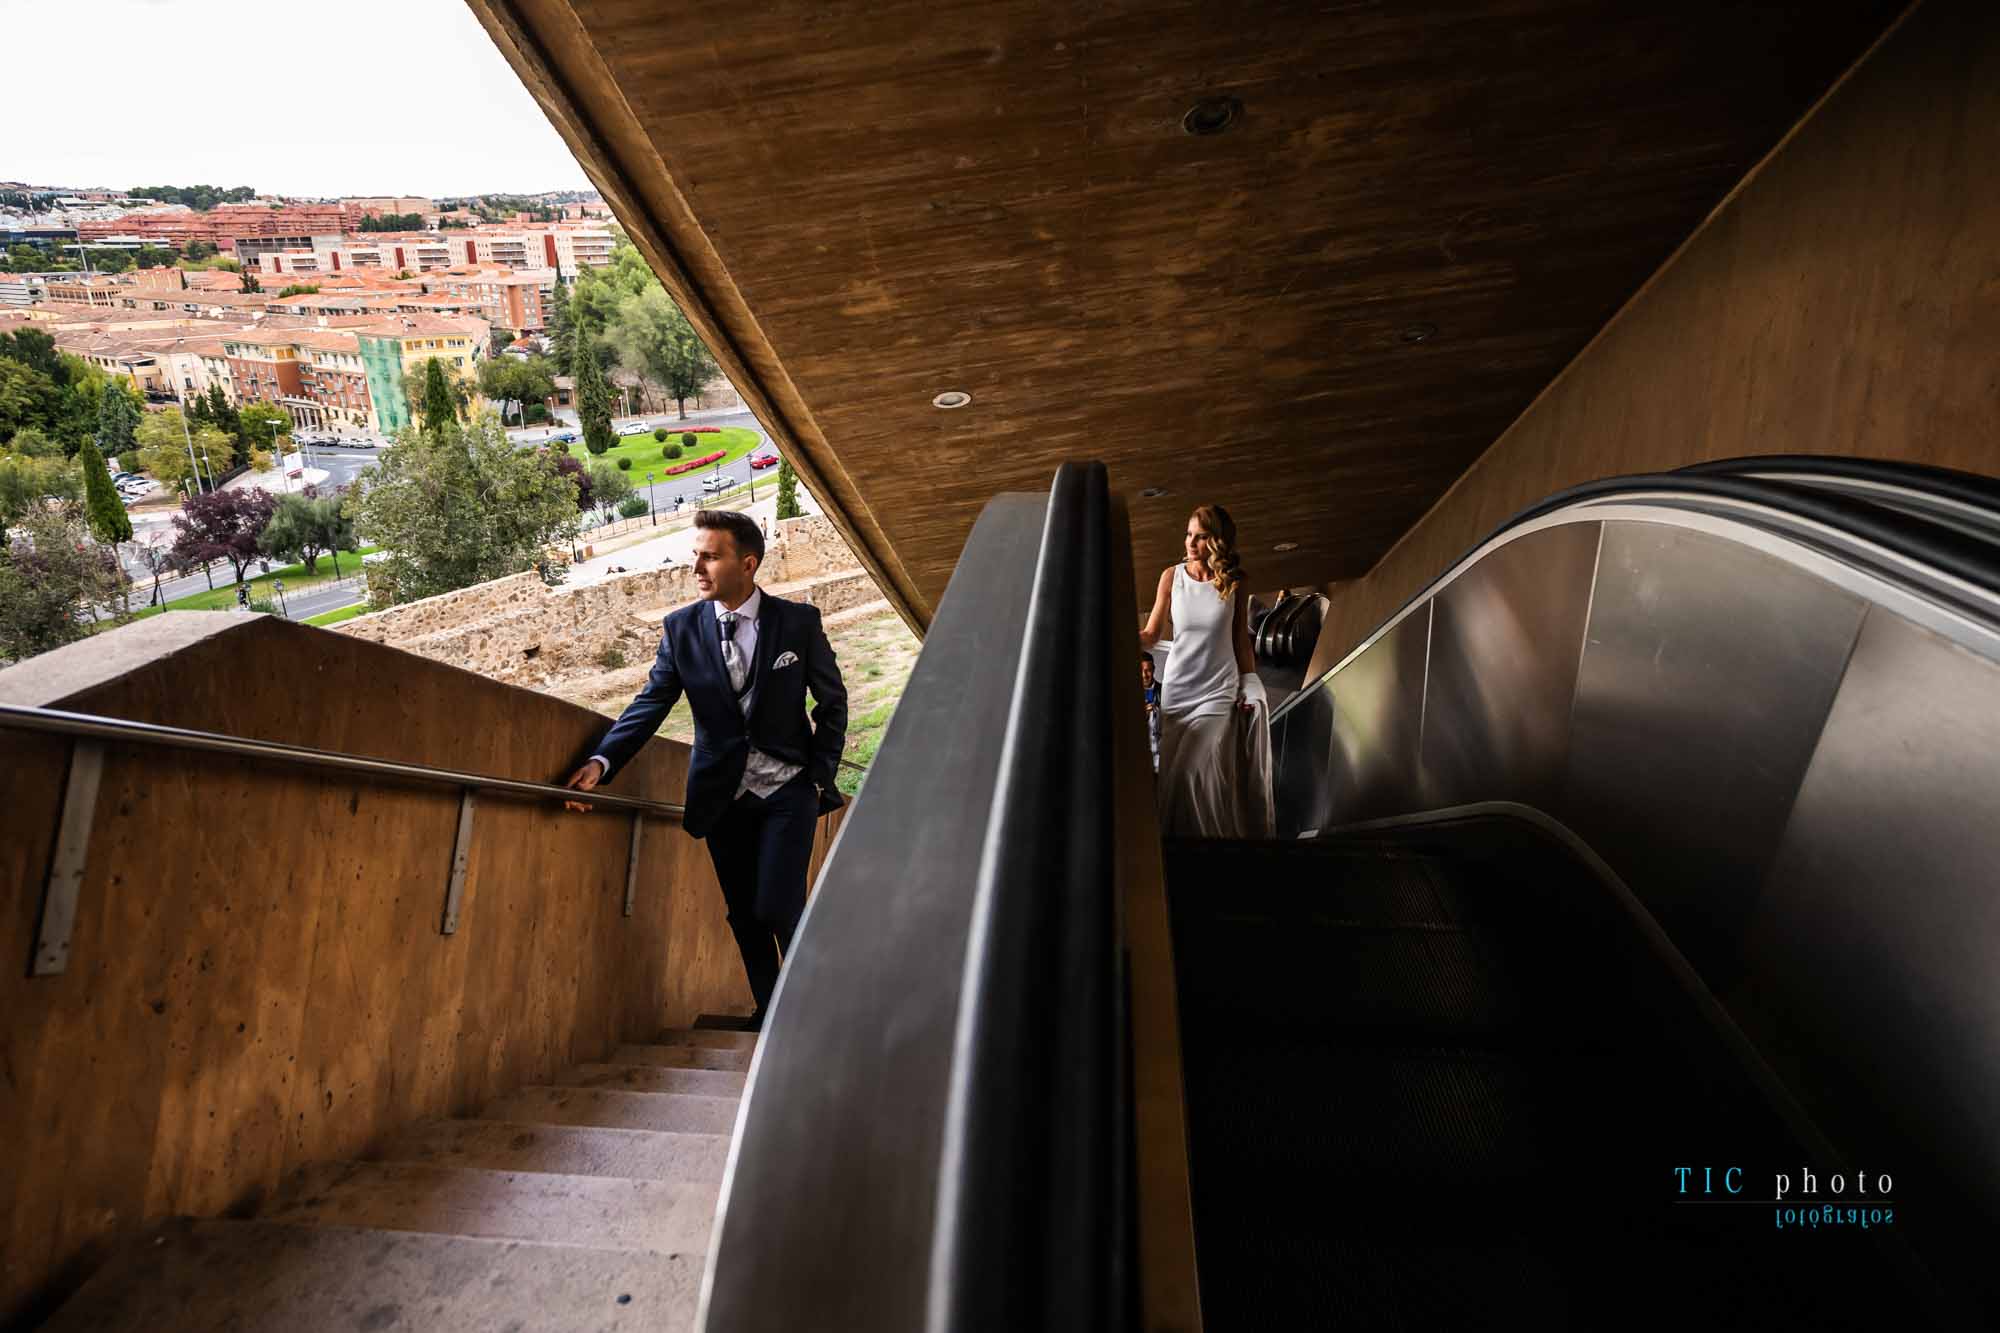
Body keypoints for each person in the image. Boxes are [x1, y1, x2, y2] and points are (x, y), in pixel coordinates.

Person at [563, 508, 848, 1029]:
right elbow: (651, 703)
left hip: (789, 790)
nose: (696, 566)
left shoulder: (797, 624)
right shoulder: (681, 629)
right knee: (742, 913)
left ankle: (813, 1009)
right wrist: (603, 762)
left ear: (748, 563)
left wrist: (819, 773)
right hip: (722, 798)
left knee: (777, 904)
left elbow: (832, 702)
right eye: (695, 555)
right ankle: (771, 1014)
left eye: (710, 556)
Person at [1138, 503, 1274, 838]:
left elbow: (1240, 641)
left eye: (1200, 537)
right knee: (1175, 781)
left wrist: (1251, 684)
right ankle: (1190, 853)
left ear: (1217, 541)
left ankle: (1206, 854)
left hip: (1217, 692)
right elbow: (1152, 634)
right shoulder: (1171, 577)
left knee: (1191, 773)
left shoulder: (1235, 582)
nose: (1190, 543)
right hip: (1178, 692)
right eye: (1188, 535)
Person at [1140, 655, 1162, 772]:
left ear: (1153, 669)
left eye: (1148, 670)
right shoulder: (1127, 695)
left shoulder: (1164, 691)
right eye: (1141, 670)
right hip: (1138, 758)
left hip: (1162, 758)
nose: (1144, 675)